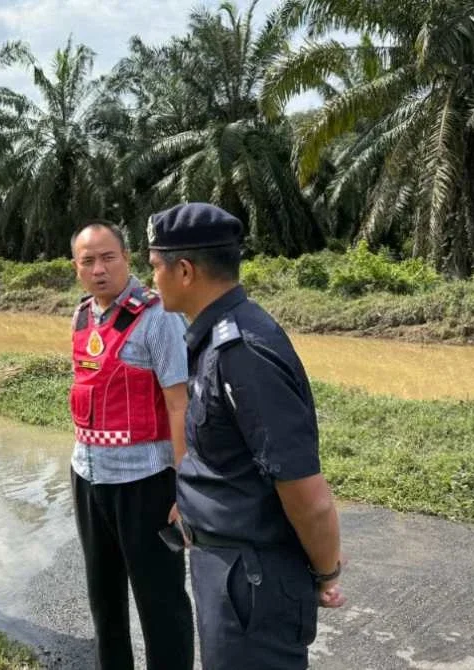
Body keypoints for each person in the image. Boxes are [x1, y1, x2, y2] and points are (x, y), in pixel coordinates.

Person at [147, 202, 346, 669]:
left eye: (154, 266)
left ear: (185, 270)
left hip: (253, 583)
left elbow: (308, 495)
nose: (150, 278)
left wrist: (325, 570)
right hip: (228, 569)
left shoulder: (244, 353)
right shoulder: (213, 336)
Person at [68, 220, 194, 670]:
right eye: (88, 261)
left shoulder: (159, 318)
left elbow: (179, 405)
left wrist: (184, 487)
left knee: (160, 602)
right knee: (103, 598)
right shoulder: (82, 315)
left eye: (108, 257)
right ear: (76, 267)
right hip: (88, 475)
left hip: (146, 482)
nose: (99, 269)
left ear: (127, 259)